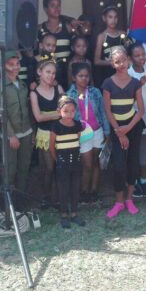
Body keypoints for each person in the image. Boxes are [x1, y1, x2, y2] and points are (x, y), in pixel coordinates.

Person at [102, 46, 145, 218]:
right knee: (119, 165)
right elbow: (107, 110)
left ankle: (129, 199)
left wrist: (128, 128)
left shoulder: (135, 83)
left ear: (128, 60)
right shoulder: (107, 83)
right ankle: (119, 202)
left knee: (133, 164)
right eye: (116, 61)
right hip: (117, 128)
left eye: (123, 60)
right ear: (112, 64)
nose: (120, 64)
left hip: (133, 126)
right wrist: (120, 132)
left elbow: (141, 110)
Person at [65, 62, 110, 204]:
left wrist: (107, 131)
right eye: (80, 76)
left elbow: (103, 112)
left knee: (97, 162)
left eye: (86, 76)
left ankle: (94, 191)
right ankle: (84, 191)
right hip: (82, 133)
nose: (84, 79)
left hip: (97, 131)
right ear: (73, 78)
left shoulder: (95, 92)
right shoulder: (69, 94)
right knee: (87, 165)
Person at [0, 51, 33, 191]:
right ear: (3, 66)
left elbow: (27, 109)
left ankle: (21, 200)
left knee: (24, 167)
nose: (15, 67)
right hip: (11, 136)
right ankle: (9, 203)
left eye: (17, 64)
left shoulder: (22, 84)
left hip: (26, 132)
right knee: (10, 169)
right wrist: (11, 135)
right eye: (11, 64)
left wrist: (31, 131)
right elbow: (2, 113)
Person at [49, 96, 86, 228]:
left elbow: (78, 141)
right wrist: (58, 159)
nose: (69, 114)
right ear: (59, 111)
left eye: (72, 111)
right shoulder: (56, 126)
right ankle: (64, 214)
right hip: (62, 163)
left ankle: (74, 213)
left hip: (75, 161)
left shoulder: (77, 125)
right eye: (66, 111)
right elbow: (52, 146)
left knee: (75, 187)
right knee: (63, 188)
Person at [30, 59, 63, 201]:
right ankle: (46, 196)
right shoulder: (34, 94)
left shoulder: (58, 89)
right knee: (48, 168)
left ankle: (60, 196)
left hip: (61, 133)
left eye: (53, 73)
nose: (51, 75)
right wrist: (57, 114)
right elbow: (38, 118)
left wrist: (48, 114)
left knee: (61, 166)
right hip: (44, 134)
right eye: (48, 72)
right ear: (40, 72)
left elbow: (67, 110)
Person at [127, 43, 146, 197]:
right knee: (134, 151)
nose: (141, 58)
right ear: (130, 58)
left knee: (144, 150)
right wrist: (139, 84)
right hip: (134, 120)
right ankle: (134, 181)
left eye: (143, 54)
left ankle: (144, 180)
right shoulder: (129, 75)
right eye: (137, 55)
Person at [38, 0, 78, 89]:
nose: (57, 8)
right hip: (48, 75)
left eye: (58, 5)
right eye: (52, 6)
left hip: (67, 72)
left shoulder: (68, 27)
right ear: (46, 9)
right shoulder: (40, 29)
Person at [94, 6, 132, 87]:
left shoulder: (123, 34)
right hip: (109, 74)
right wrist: (112, 63)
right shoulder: (102, 36)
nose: (113, 20)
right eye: (110, 17)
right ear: (104, 18)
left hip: (125, 72)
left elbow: (130, 52)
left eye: (115, 17)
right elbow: (96, 61)